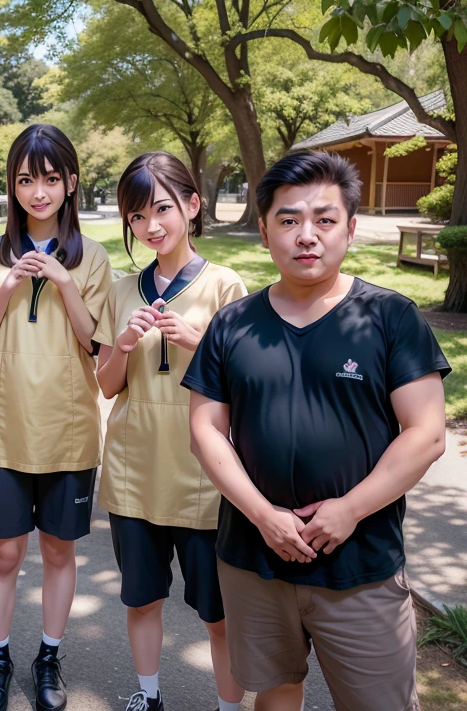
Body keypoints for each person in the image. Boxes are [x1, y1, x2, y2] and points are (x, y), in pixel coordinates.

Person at [184, 150, 449, 711]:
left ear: (350, 229)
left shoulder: (389, 318)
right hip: (254, 559)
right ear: (263, 231)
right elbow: (205, 429)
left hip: (362, 564)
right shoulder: (232, 324)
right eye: (289, 220)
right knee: (275, 690)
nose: (307, 235)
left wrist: (349, 509)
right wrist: (264, 515)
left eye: (325, 220)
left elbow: (425, 433)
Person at [0, 124, 112, 711]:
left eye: (51, 179)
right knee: (4, 553)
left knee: (58, 552)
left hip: (69, 430)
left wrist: (64, 281)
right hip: (2, 429)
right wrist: (6, 288)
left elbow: (95, 341)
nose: (39, 191)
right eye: (27, 179)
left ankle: (49, 655)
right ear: (13, 185)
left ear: (71, 183)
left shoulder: (92, 258)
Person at [93, 152, 247, 711]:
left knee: (219, 614)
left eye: (161, 208)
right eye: (136, 216)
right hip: (134, 475)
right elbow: (107, 384)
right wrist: (127, 345)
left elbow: (248, 385)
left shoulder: (227, 287)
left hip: (204, 481)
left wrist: (196, 338)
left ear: (192, 204)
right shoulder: (119, 290)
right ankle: (149, 694)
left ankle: (230, 706)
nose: (150, 225)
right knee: (141, 601)